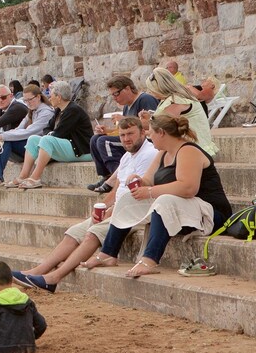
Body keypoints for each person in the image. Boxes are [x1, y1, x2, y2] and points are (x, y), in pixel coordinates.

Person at [11, 117, 157, 292]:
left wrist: (110, 211)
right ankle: (37, 271)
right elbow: (116, 191)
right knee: (73, 233)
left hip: (134, 212)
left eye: (130, 134)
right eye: (123, 135)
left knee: (92, 234)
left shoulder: (149, 154)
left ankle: (53, 278)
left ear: (143, 132)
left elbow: (136, 194)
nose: (126, 139)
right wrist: (101, 209)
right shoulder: (126, 156)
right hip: (117, 209)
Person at [81, 114, 231, 278]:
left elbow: (188, 188)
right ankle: (108, 254)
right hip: (183, 211)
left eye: (150, 132)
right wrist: (139, 181)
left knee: (164, 200)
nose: (149, 136)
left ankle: (149, 260)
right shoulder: (162, 153)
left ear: (161, 133)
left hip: (210, 213)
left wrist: (150, 191)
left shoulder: (188, 150)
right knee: (127, 199)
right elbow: (148, 180)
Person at [9, 80, 93, 189]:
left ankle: (35, 178)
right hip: (69, 146)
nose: (49, 98)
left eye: (51, 95)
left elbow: (59, 133)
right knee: (33, 139)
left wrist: (49, 134)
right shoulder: (59, 110)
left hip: (81, 150)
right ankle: (23, 175)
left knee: (46, 140)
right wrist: (49, 134)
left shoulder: (73, 110)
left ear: (59, 97)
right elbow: (47, 128)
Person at [0, 84, 55, 193]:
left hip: (39, 149)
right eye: (25, 100)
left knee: (5, 140)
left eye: (30, 100)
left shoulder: (46, 112)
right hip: (29, 146)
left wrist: (3, 136)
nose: (27, 103)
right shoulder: (31, 110)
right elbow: (19, 129)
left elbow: (29, 133)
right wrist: (1, 136)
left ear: (38, 97)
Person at [87, 76, 160, 192]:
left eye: (116, 94)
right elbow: (125, 130)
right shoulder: (127, 106)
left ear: (127, 88)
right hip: (132, 137)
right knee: (95, 138)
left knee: (104, 142)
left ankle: (118, 179)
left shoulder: (145, 99)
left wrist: (124, 118)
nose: (115, 98)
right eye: (112, 95)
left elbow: (155, 123)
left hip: (145, 141)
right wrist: (107, 131)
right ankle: (106, 176)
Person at [142, 67, 218, 157]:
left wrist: (146, 124)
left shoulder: (174, 101)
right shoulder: (179, 96)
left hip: (193, 152)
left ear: (159, 88)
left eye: (152, 89)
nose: (151, 92)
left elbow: (161, 126)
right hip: (196, 148)